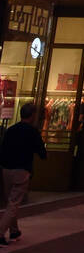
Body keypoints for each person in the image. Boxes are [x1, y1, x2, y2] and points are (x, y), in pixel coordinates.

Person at [0, 102, 46, 244]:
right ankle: (1, 233)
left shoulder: (11, 130)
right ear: (32, 116)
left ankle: (14, 231)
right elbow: (42, 153)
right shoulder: (32, 132)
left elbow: (3, 148)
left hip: (6, 169)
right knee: (13, 203)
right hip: (22, 170)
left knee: (11, 202)